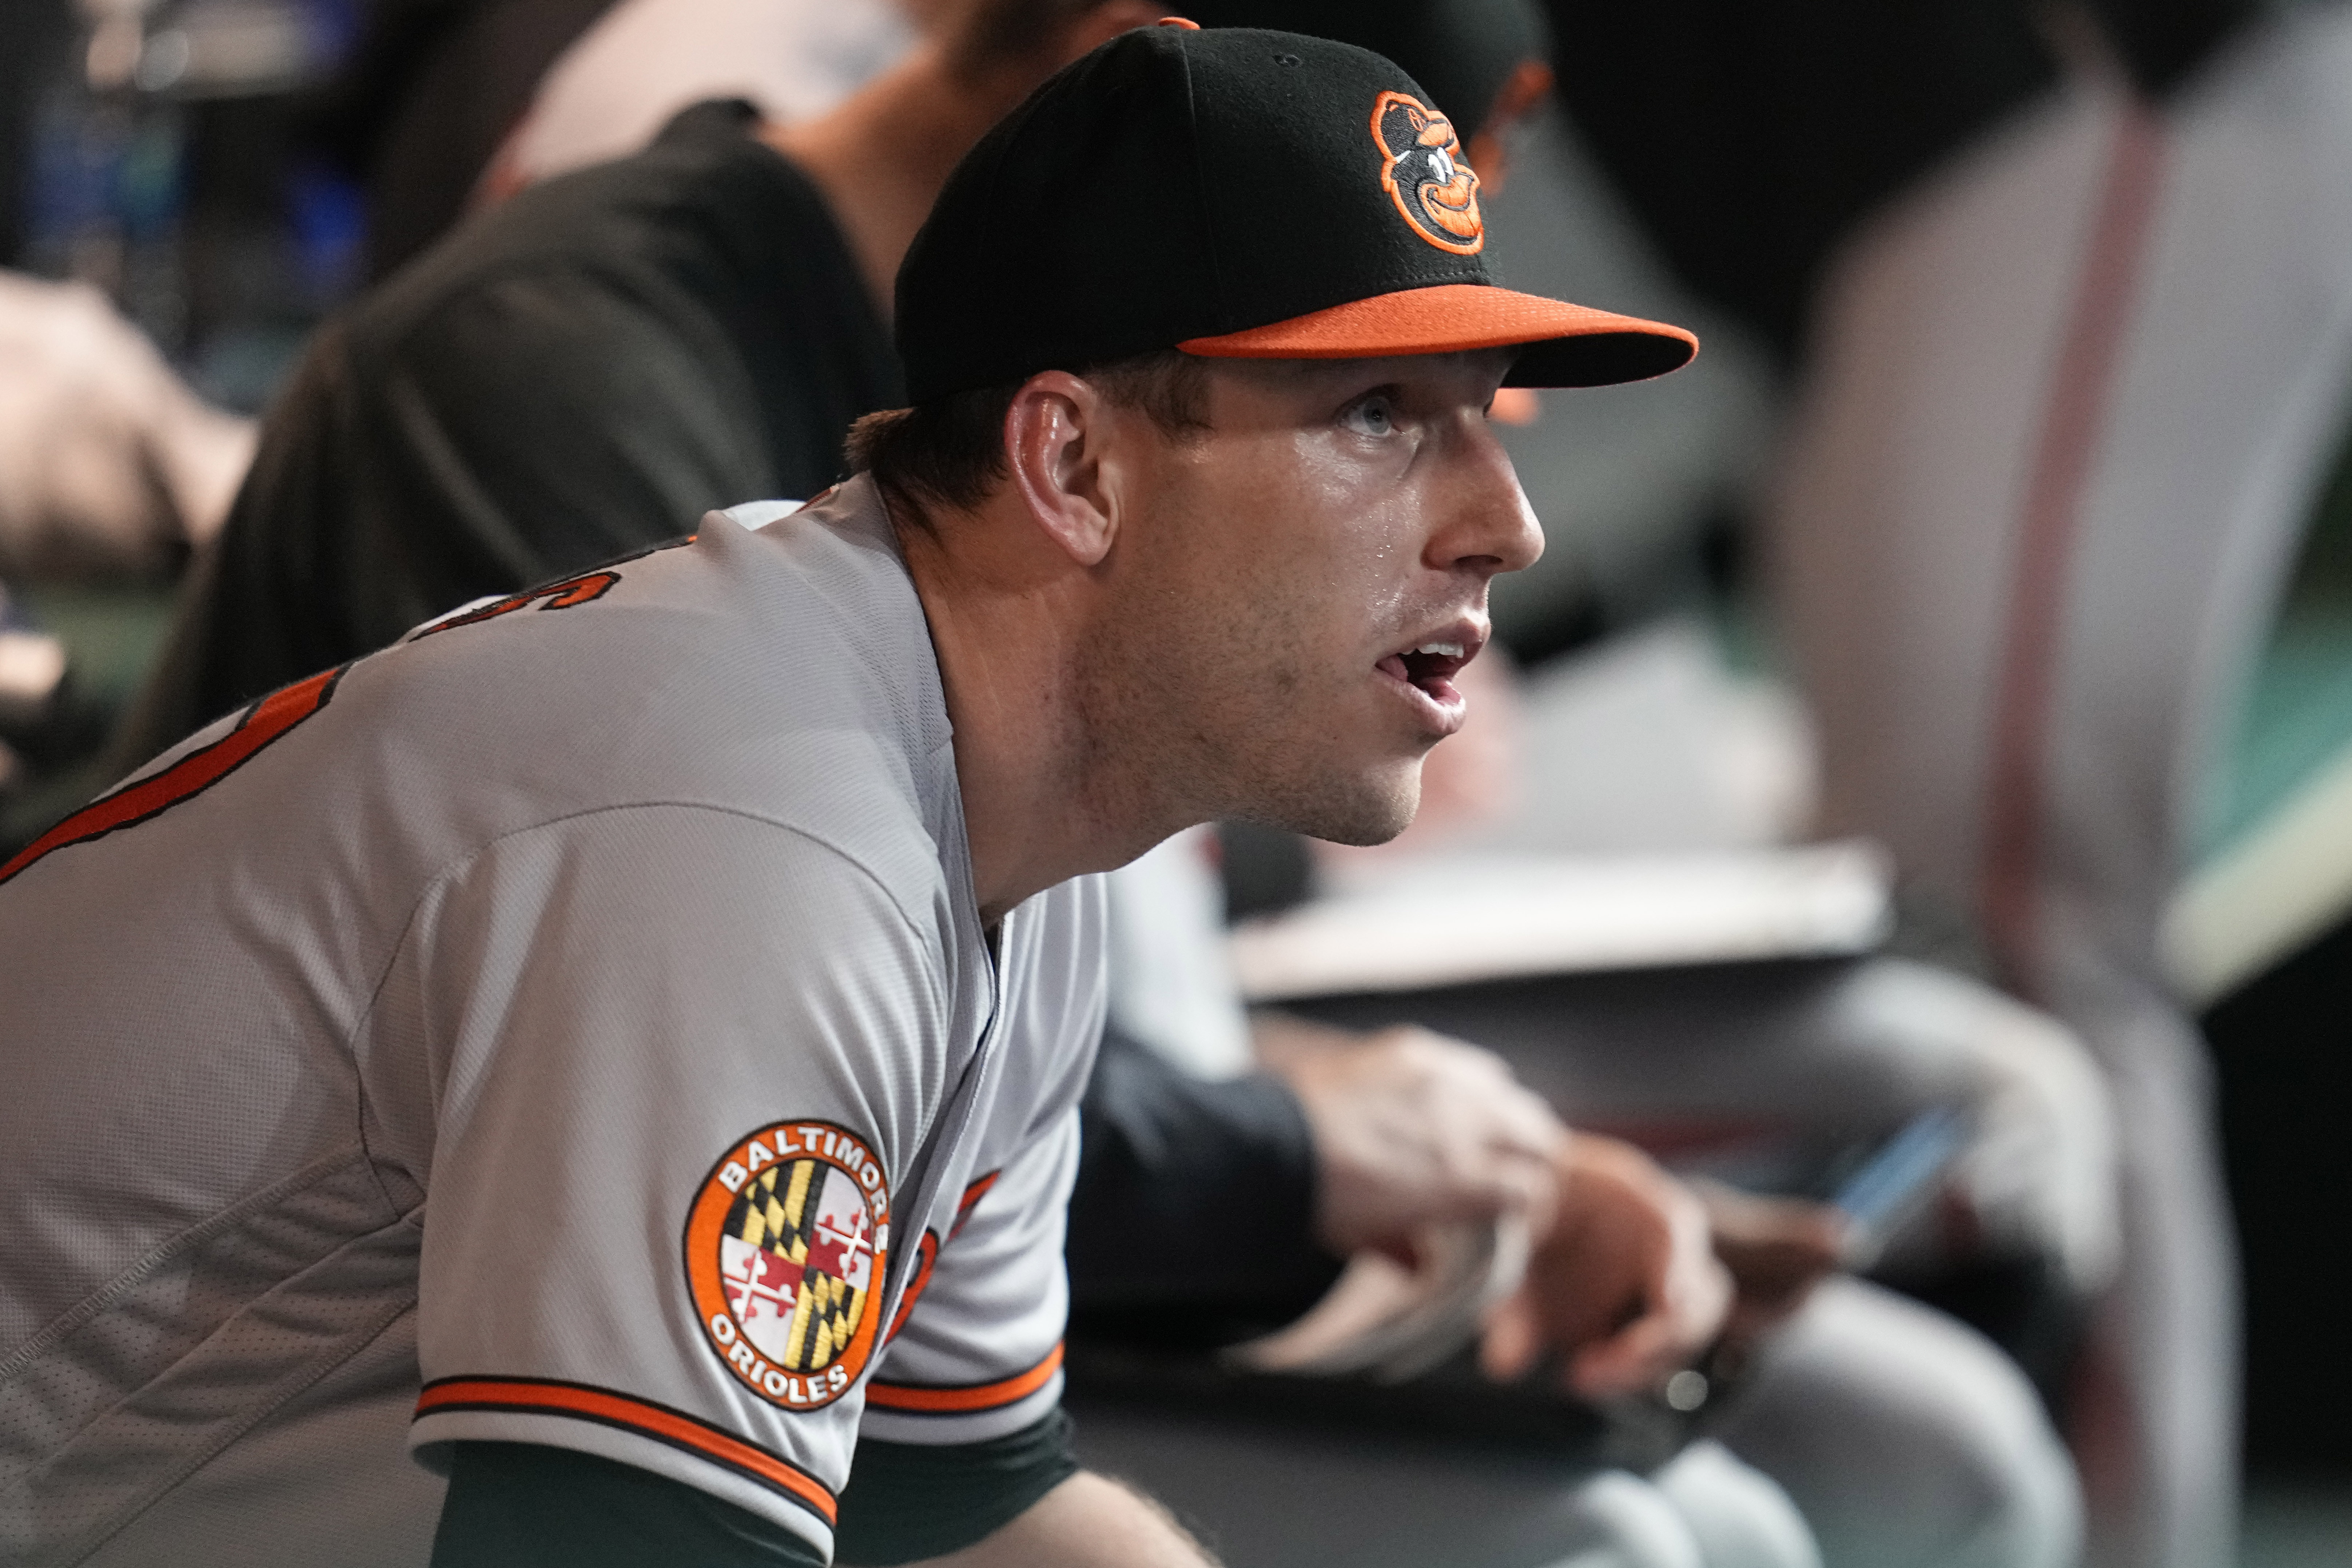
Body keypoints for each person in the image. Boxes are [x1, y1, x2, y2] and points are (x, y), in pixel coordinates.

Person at [0, 21, 1740, 1567]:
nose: (1505, 520)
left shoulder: (1006, 820)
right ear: (1071, 465)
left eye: (1478, 416)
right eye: (1376, 414)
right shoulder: (757, 831)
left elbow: (953, 1501)